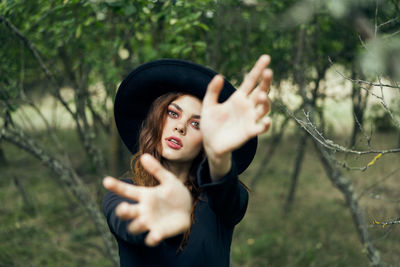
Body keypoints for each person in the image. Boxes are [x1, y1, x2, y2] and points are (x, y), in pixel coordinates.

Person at [102, 55, 273, 267]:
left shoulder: (221, 201)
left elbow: (227, 193)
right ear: (155, 119)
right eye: (173, 113)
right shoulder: (123, 194)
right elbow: (128, 223)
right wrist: (159, 215)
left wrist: (218, 155)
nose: (180, 127)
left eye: (196, 124)